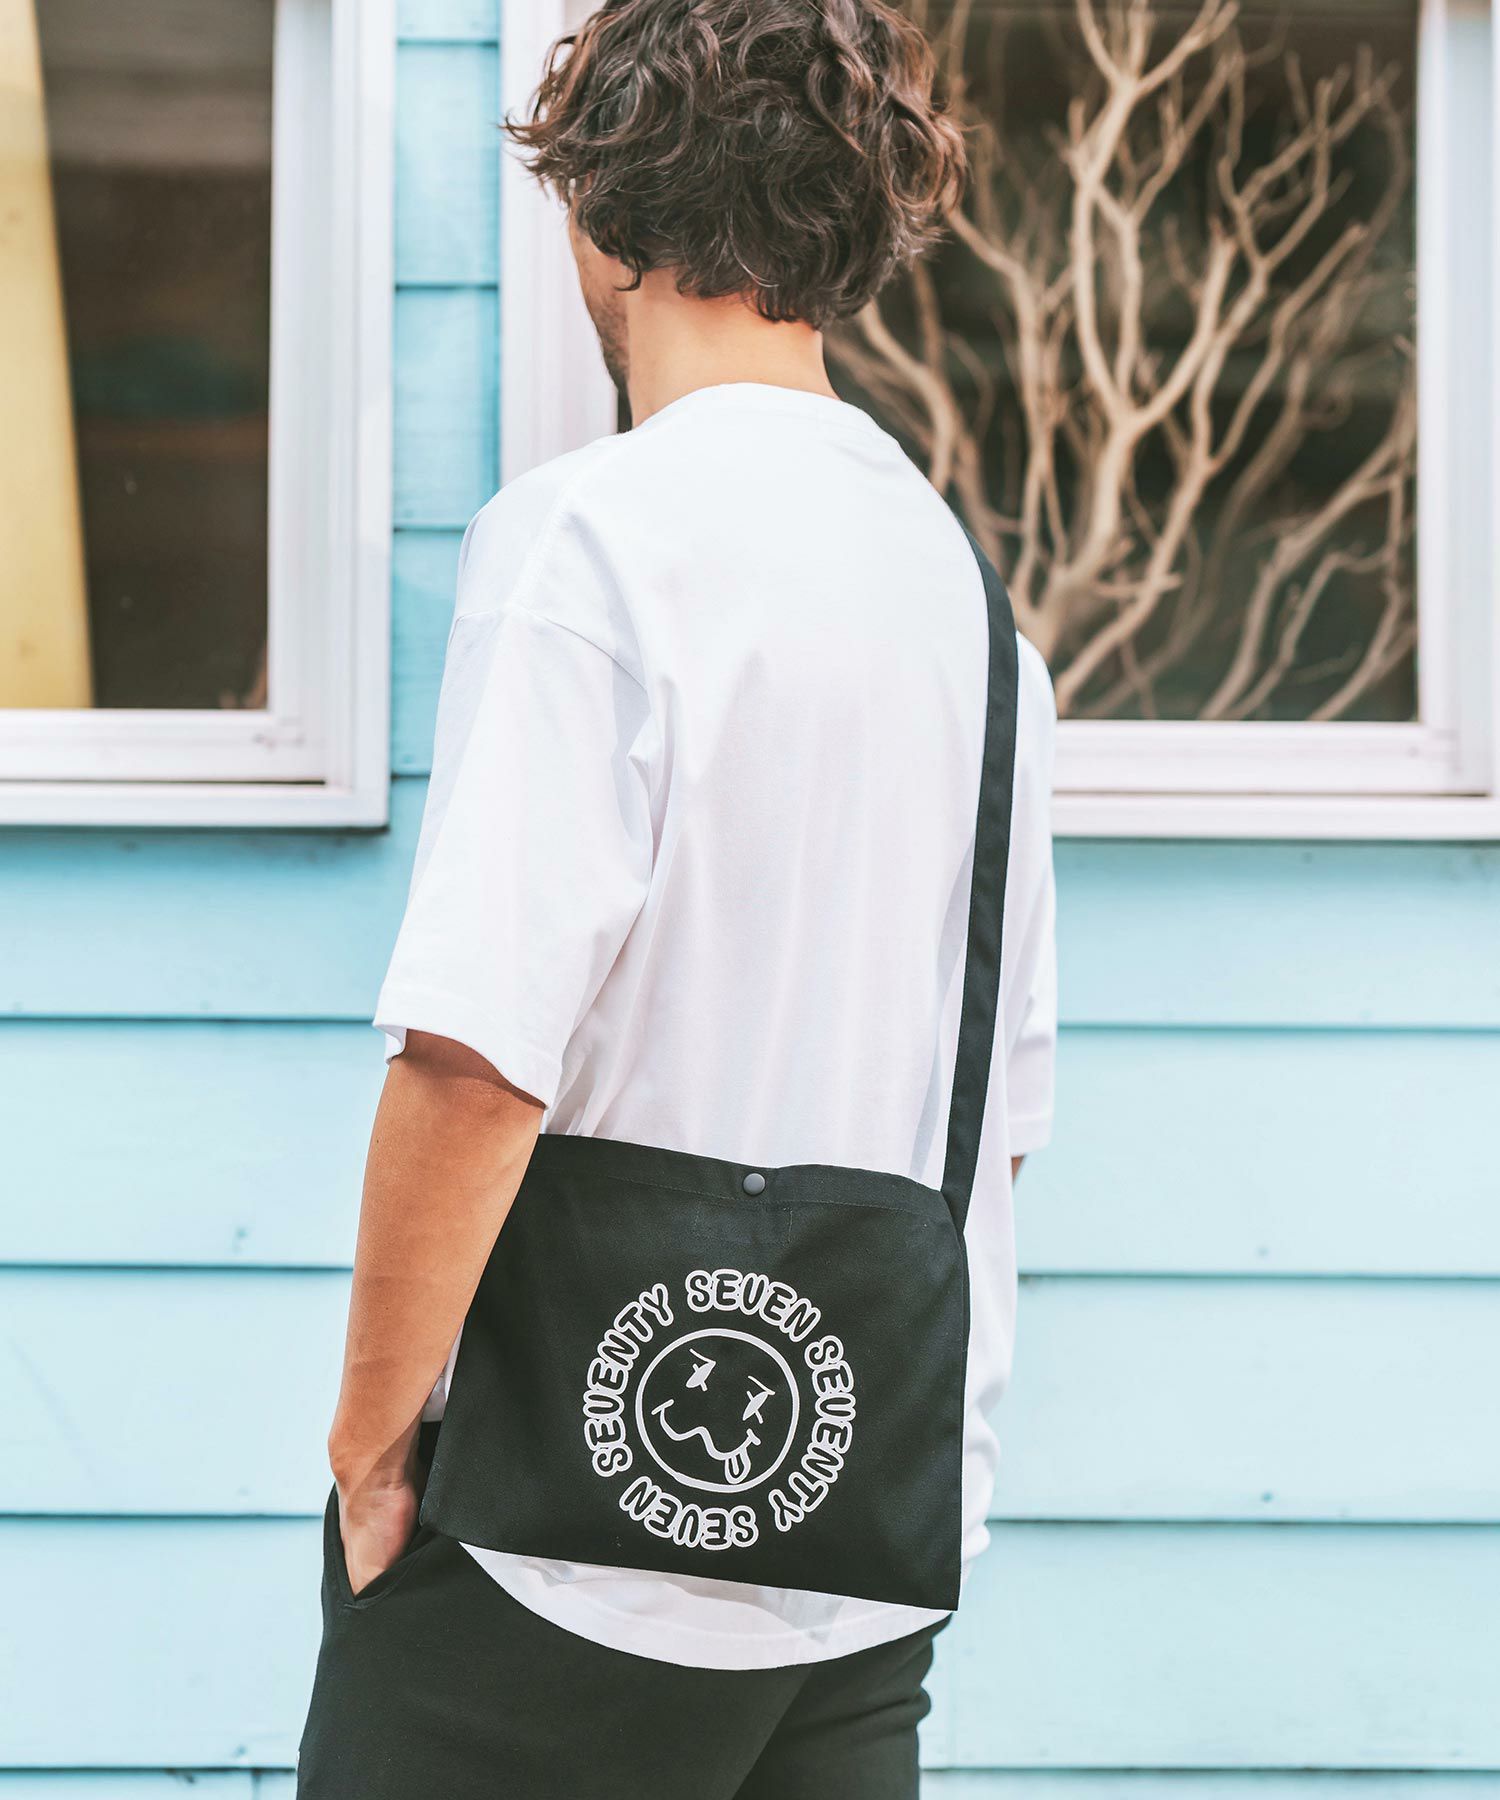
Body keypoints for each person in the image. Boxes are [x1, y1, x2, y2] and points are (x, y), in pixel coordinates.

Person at [296, 2, 1057, 1794]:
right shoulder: (970, 607)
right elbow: (1002, 1124)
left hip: (559, 1543)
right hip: (858, 1553)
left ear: (601, 212)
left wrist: (368, 1453)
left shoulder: (589, 541)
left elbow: (477, 1060)